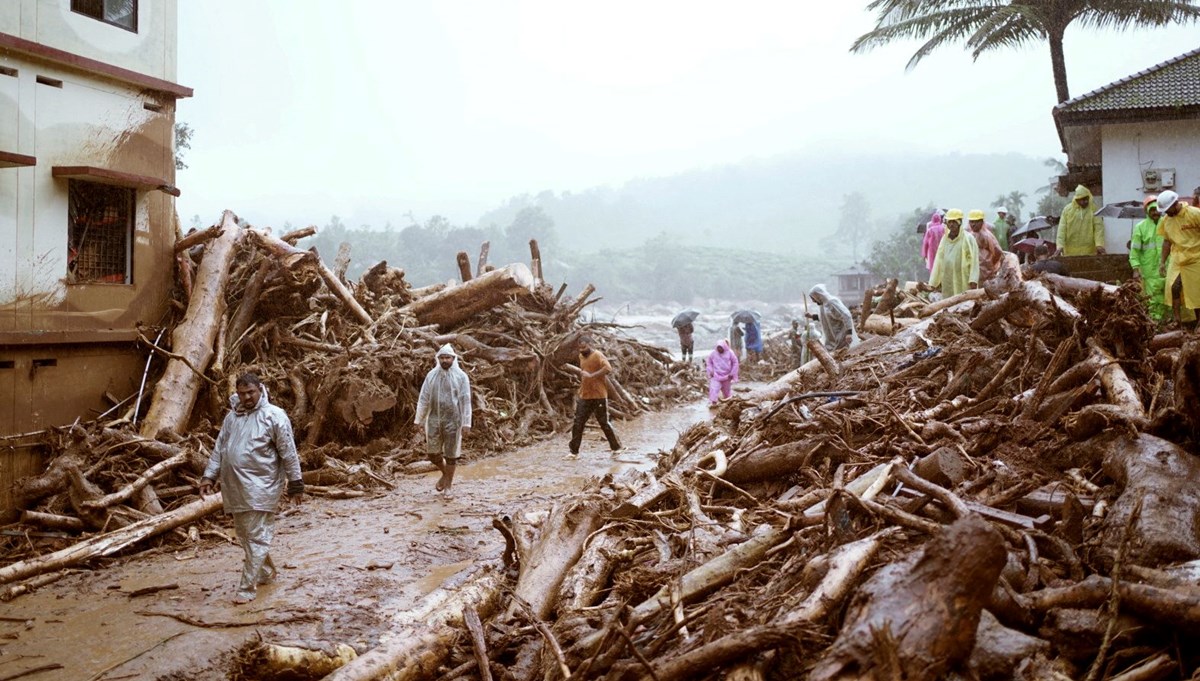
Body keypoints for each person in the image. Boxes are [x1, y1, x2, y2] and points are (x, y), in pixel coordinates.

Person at [200, 373, 304, 605]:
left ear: (261, 390)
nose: (246, 397)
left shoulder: (274, 416)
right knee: (246, 535)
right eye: (242, 393)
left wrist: (296, 483)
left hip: (263, 487)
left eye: (251, 392)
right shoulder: (231, 418)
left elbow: (288, 452)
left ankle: (246, 588)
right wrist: (209, 476)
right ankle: (266, 572)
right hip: (235, 487)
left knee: (256, 536)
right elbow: (219, 448)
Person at [414, 344, 472, 496]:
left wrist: (466, 423)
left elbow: (466, 401)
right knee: (433, 454)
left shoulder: (461, 377)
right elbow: (424, 398)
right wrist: (418, 419)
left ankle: (448, 487)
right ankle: (445, 474)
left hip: (454, 420)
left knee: (451, 454)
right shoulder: (431, 375)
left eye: (448, 358)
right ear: (438, 359)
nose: (445, 360)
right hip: (434, 419)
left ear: (453, 358)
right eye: (442, 358)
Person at [567, 336, 623, 458]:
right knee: (578, 423)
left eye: (584, 347)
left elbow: (608, 368)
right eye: (580, 348)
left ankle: (616, 447)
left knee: (603, 422)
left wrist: (592, 376)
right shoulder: (581, 356)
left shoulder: (597, 355)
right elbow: (584, 371)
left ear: (590, 345)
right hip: (585, 395)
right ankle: (573, 452)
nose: (582, 350)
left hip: (599, 395)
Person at [1156, 190, 1200, 329]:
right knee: (1173, 287)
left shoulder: (1194, 213)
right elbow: (1167, 242)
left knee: (1196, 292)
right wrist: (1162, 262)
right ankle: (1177, 321)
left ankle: (1198, 322)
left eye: (1167, 209)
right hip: (1177, 258)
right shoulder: (1166, 221)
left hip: (1195, 258)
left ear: (1175, 204)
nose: (1165, 213)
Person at [1129, 196, 1168, 322]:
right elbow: (1134, 250)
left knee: (1169, 296)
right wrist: (1135, 268)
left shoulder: (1167, 223)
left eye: (1157, 209)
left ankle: (1169, 322)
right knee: (1153, 298)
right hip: (1149, 270)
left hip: (1167, 267)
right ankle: (1156, 323)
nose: (1155, 212)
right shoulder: (1140, 227)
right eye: (1152, 210)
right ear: (1147, 211)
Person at [928, 209, 980, 298]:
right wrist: (934, 281)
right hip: (947, 277)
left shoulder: (968, 239)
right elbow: (939, 259)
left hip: (963, 277)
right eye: (949, 222)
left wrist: (973, 279)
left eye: (954, 222)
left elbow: (974, 260)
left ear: (959, 222)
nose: (951, 224)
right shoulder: (945, 239)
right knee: (948, 301)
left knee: (963, 301)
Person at [1056, 185, 1106, 256]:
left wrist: (1099, 245)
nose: (1084, 202)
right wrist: (1059, 246)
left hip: (1089, 251)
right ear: (1076, 199)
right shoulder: (1067, 210)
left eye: (1086, 199)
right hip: (1070, 251)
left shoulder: (1093, 209)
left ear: (1089, 197)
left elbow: (1098, 228)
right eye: (1081, 200)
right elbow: (1062, 230)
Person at [808, 284, 859, 351]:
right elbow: (825, 318)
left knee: (842, 353)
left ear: (818, 295)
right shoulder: (823, 304)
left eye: (813, 298)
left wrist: (849, 333)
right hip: (831, 338)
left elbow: (846, 316)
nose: (813, 301)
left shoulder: (832, 302)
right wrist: (811, 316)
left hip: (840, 335)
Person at [968, 209, 1005, 282]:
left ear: (981, 222)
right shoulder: (970, 235)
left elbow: (998, 251)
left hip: (985, 273)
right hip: (973, 273)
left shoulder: (987, 235)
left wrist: (991, 263)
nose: (973, 224)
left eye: (976, 222)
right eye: (971, 222)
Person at [705, 339, 740, 407]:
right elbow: (708, 362)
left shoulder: (730, 353)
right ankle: (713, 403)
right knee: (713, 389)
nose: (719, 349)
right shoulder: (713, 353)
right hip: (716, 376)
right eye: (718, 348)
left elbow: (735, 362)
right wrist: (711, 370)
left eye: (721, 348)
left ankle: (728, 404)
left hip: (727, 376)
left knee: (727, 393)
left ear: (724, 347)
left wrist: (732, 373)